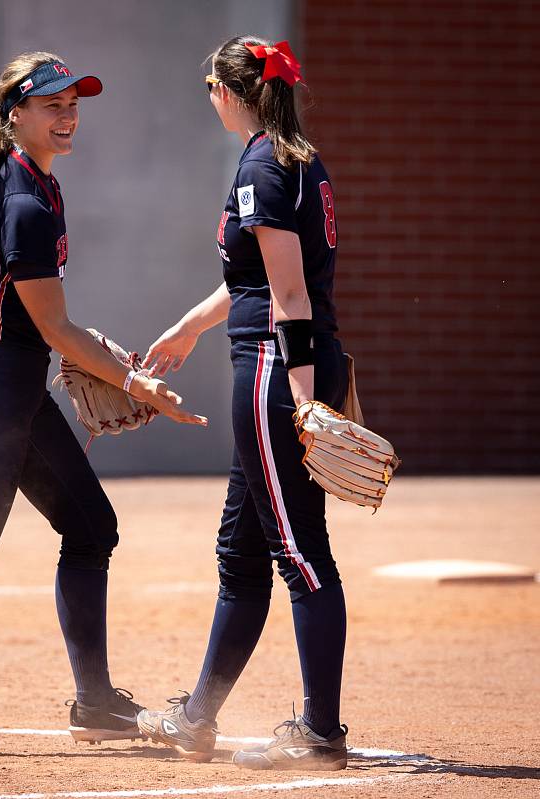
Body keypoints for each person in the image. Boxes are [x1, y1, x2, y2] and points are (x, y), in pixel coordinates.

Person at [0, 52, 207, 757]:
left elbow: (47, 326)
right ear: (15, 117)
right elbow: (55, 327)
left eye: (74, 104)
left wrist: (106, 357)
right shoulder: (27, 199)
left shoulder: (35, 182)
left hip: (17, 384)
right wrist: (134, 382)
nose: (68, 115)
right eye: (53, 104)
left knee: (91, 525)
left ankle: (94, 701)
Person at [136, 37, 349, 771]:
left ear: (231, 92)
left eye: (210, 86)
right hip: (272, 361)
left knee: (298, 551)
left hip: (271, 371)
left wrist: (303, 402)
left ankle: (321, 731)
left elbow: (288, 295)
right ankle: (198, 716)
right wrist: (188, 328)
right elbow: (264, 279)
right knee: (242, 550)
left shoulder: (262, 162)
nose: (209, 97)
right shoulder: (294, 157)